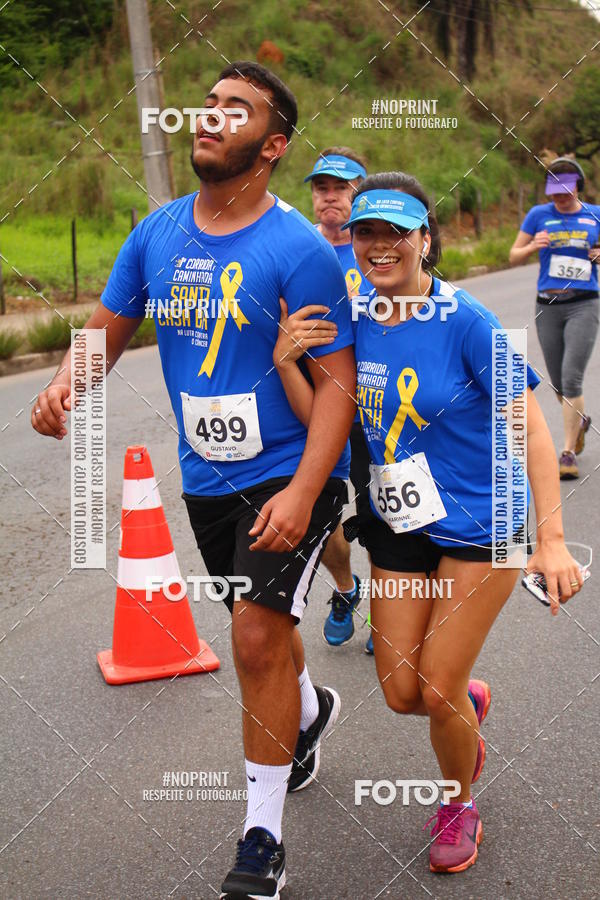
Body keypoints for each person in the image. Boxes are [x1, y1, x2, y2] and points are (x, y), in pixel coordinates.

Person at [31, 61, 356, 900]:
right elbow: (105, 332)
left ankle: (261, 840)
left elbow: (338, 393)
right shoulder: (158, 233)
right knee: (269, 632)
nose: (207, 118)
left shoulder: (301, 251)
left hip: (293, 471)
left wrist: (300, 493)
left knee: (252, 640)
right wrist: (67, 384)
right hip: (208, 481)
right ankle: (311, 713)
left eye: (234, 111)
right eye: (206, 105)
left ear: (272, 145)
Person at [343, 171, 585, 874]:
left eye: (396, 233)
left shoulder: (465, 319)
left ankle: (458, 801)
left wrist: (551, 539)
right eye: (366, 233)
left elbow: (533, 431)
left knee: (437, 687)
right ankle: (464, 706)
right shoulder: (352, 310)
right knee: (399, 694)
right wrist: (285, 354)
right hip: (397, 522)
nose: (380, 247)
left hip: (486, 524)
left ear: (426, 239)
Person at [302, 147, 375, 651]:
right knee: (319, 518)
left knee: (387, 515)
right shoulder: (299, 249)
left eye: (341, 188)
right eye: (321, 188)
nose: (330, 197)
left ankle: (394, 612)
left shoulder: (377, 252)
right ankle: (347, 591)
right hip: (318, 403)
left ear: (360, 195)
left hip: (376, 406)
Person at [509, 158, 600, 479]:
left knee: (571, 377)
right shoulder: (538, 215)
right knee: (559, 383)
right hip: (547, 306)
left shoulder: (595, 214)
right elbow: (513, 254)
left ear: (579, 186)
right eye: (554, 192)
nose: (559, 198)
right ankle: (580, 421)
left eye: (565, 191)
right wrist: (533, 245)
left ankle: (567, 452)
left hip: (584, 304)